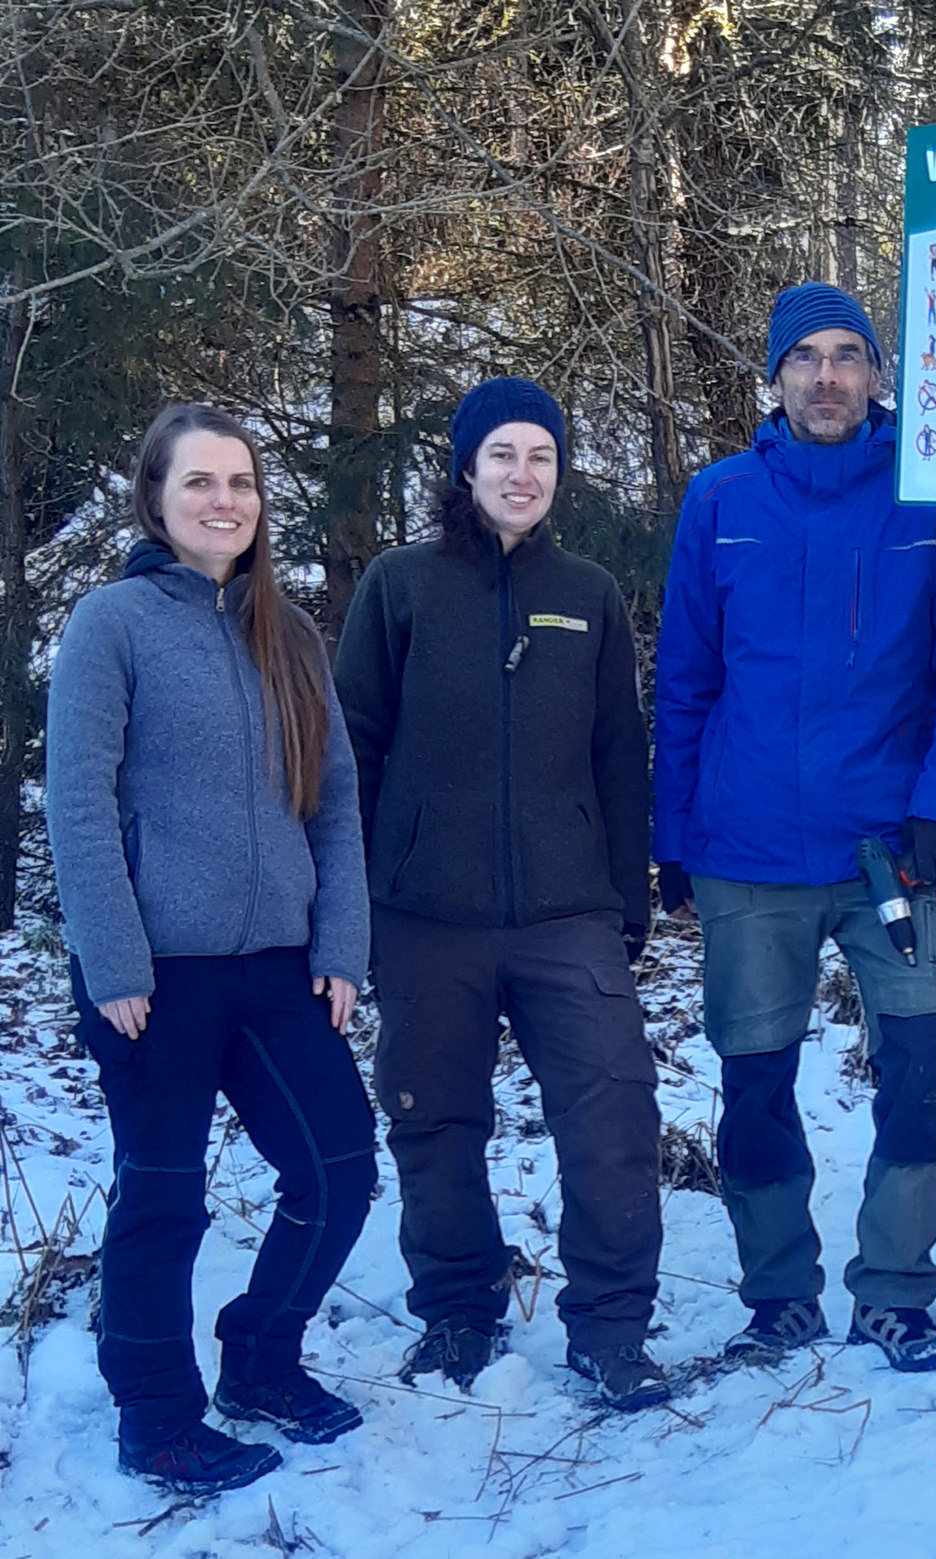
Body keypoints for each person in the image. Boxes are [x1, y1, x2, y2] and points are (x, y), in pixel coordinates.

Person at [653, 282, 936, 1372]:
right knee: (754, 1084)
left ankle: (893, 1291)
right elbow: (688, 679)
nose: (829, 375)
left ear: (879, 374)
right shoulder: (720, 499)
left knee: (930, 1059)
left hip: (890, 848)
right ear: (776, 376)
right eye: (807, 357)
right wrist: (674, 829)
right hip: (748, 848)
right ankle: (778, 1294)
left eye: (850, 354)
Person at [47, 405, 375, 1494]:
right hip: (158, 975)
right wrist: (114, 962)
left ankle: (262, 1355)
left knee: (336, 1166)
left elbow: (331, 800)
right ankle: (157, 1414)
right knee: (164, 1193)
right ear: (156, 496)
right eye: (200, 482)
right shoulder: (113, 622)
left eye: (240, 482)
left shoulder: (290, 634)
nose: (224, 500)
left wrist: (341, 939)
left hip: (280, 968)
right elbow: (79, 803)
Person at [334, 378, 665, 1410]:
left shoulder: (590, 591)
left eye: (542, 457)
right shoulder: (399, 585)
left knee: (612, 1114)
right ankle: (458, 1310)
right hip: (425, 913)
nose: (522, 475)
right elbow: (355, 750)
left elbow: (620, 751)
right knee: (434, 1119)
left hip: (569, 914)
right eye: (503, 455)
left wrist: (627, 898)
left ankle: (612, 1329)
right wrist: (358, 910)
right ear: (464, 467)